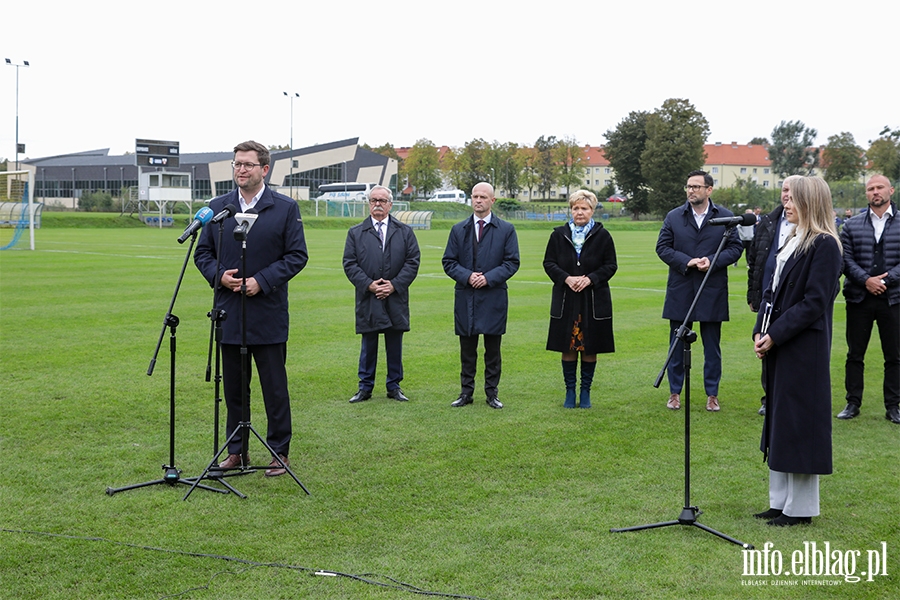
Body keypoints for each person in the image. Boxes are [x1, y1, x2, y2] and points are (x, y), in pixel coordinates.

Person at [194, 141, 308, 477]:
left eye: (247, 164)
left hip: (268, 313)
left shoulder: (285, 209)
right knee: (233, 389)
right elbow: (203, 255)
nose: (241, 170)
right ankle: (236, 450)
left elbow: (297, 256)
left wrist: (262, 280)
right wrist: (219, 276)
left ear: (264, 169)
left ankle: (279, 451)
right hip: (229, 312)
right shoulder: (218, 208)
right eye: (237, 164)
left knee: (274, 388)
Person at [752, 176, 842, 526]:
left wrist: (775, 334)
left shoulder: (825, 245)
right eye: (786, 198)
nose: (785, 204)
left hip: (803, 346)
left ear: (810, 202)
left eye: (792, 199)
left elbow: (815, 301)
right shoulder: (791, 238)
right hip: (778, 341)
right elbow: (771, 292)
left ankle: (800, 509)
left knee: (799, 424)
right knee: (779, 420)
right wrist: (761, 330)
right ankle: (780, 502)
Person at [656, 170, 743, 412]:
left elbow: (736, 248)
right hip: (681, 288)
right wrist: (688, 261)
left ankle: (712, 394)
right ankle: (675, 393)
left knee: (712, 347)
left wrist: (711, 260)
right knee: (676, 344)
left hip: (711, 289)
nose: (691, 190)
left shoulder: (725, 217)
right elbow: (662, 248)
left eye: (696, 186)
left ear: (709, 189)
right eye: (688, 186)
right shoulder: (674, 217)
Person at [442, 182, 520, 409]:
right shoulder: (458, 229)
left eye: (483, 197)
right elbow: (449, 261)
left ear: (492, 200)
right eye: (475, 196)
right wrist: (467, 276)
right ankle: (466, 393)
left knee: (493, 351)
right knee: (467, 350)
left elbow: (512, 262)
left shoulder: (506, 229)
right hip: (466, 297)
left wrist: (488, 278)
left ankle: (491, 393)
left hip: (493, 297)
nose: (478, 200)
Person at [342, 185, 420, 403]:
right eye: (374, 200)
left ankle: (394, 386)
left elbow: (412, 262)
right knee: (369, 344)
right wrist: (369, 285)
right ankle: (365, 387)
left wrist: (394, 285)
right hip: (369, 297)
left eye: (382, 201)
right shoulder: (356, 233)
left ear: (390, 204)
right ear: (369, 203)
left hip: (396, 297)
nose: (378, 204)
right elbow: (350, 264)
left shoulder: (405, 232)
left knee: (395, 343)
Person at [543, 190, 617, 408]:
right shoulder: (558, 234)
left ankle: (585, 392)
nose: (579, 212)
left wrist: (590, 279)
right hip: (567, 298)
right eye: (575, 208)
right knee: (568, 344)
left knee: (589, 345)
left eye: (584, 208)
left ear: (592, 210)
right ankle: (569, 392)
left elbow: (611, 265)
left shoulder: (603, 236)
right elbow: (549, 263)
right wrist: (566, 278)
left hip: (593, 299)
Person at [836, 175, 900, 424]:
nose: (875, 192)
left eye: (879, 187)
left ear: (890, 190)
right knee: (855, 354)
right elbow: (845, 259)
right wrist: (866, 280)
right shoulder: (852, 225)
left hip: (893, 299)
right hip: (859, 298)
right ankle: (853, 402)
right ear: (866, 194)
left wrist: (885, 281)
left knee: (894, 355)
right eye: (871, 188)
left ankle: (893, 406)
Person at [747, 175, 802, 416]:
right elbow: (755, 260)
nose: (787, 195)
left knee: (791, 348)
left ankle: (791, 398)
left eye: (792, 190)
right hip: (769, 297)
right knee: (766, 348)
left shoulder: (820, 237)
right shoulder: (768, 221)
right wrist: (754, 293)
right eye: (784, 190)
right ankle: (769, 397)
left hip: (794, 300)